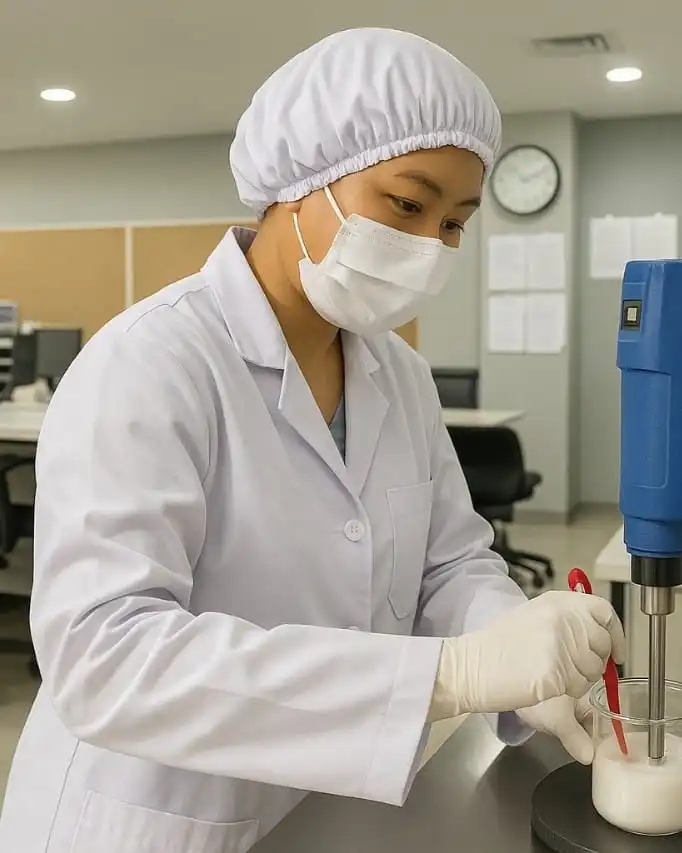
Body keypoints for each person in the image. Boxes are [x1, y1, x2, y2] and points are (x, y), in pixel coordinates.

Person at [0, 27, 624, 853]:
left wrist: (516, 648)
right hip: (152, 818)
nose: (430, 244)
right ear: (301, 179)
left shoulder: (397, 375)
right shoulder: (150, 361)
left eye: (455, 223)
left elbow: (452, 560)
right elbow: (106, 657)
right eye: (407, 204)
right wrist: (452, 674)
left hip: (328, 802)